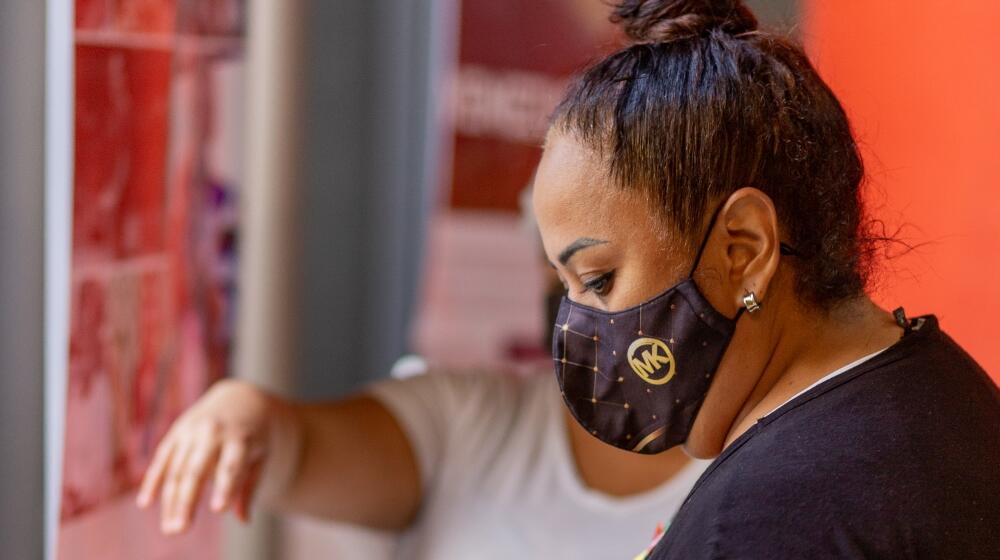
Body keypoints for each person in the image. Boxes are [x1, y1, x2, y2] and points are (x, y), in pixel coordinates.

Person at [530, 0, 999, 558]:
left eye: (599, 279)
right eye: (568, 286)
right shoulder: (935, 390)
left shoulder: (766, 525)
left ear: (744, 249)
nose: (578, 326)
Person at [135, 233, 708, 557]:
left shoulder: (750, 485)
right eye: (554, 271)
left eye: (599, 276)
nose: (570, 304)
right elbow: (300, 450)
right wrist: (245, 416)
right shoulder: (470, 416)